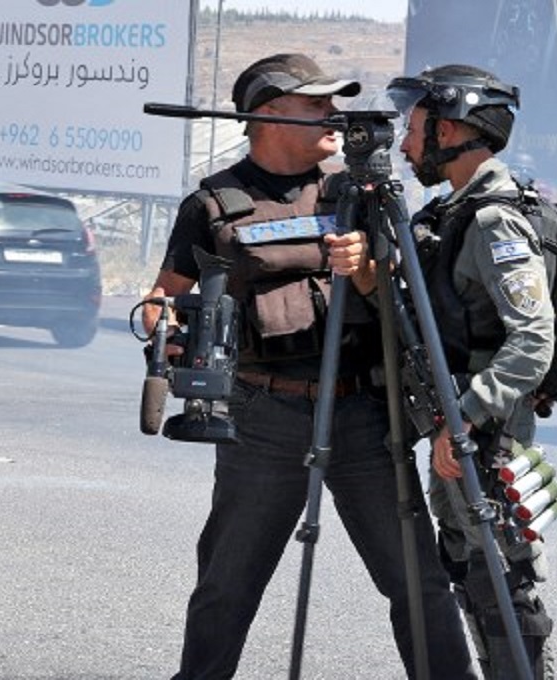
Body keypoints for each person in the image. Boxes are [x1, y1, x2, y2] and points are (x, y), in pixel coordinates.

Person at [142, 53, 475, 679]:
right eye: (317, 103)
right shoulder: (212, 203)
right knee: (226, 587)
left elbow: (406, 306)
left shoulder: (357, 191)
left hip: (363, 415)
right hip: (260, 417)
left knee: (418, 584)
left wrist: (370, 268)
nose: (334, 114)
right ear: (267, 112)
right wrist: (175, 334)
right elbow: (164, 300)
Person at [387, 64, 556, 678]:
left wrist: (463, 416)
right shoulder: (453, 211)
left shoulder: (493, 220)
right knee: (467, 566)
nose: (406, 146)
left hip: (481, 435)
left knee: (499, 576)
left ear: (452, 128)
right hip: (457, 430)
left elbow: (534, 340)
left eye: (416, 129)